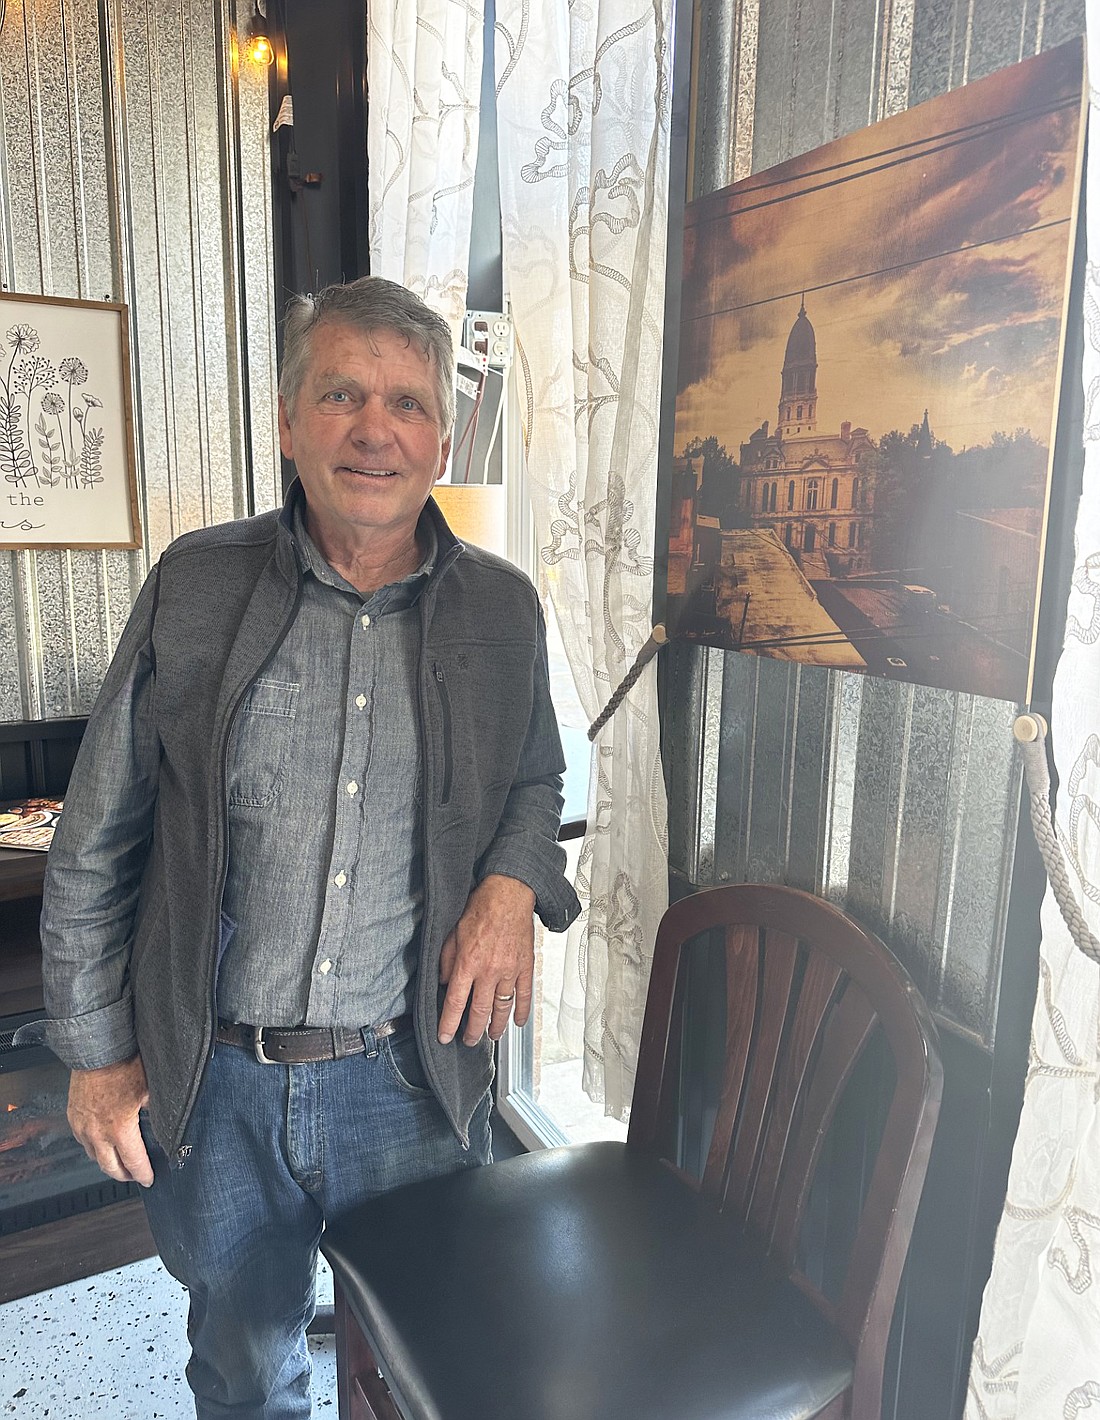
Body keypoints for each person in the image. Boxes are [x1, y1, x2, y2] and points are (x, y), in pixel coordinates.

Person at [27, 275, 581, 1419]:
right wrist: (95, 1051)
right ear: (287, 422)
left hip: (410, 1078)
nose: (374, 428)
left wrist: (512, 880)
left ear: (439, 437)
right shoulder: (195, 582)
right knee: (243, 1364)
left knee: (432, 1363)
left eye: (405, 402)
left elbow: (535, 775)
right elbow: (95, 836)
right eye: (340, 394)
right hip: (218, 1078)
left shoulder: (502, 610)